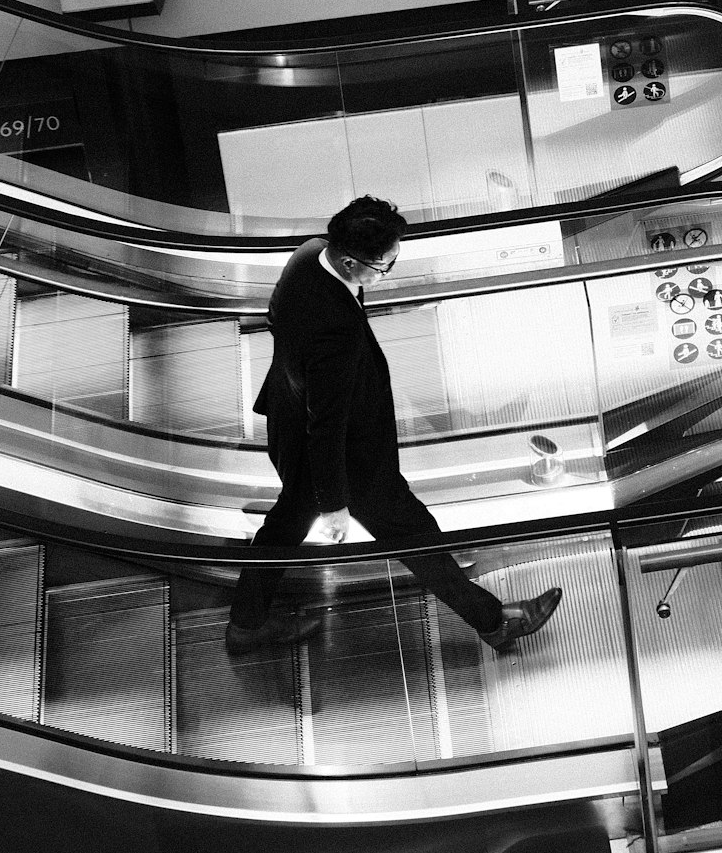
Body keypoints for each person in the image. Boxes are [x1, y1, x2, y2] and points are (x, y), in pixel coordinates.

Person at [226, 195, 562, 655]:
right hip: (346, 456)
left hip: (289, 424)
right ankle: (494, 623)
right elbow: (326, 425)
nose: (386, 273)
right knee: (415, 535)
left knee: (283, 527)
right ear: (348, 260)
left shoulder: (308, 254)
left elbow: (275, 318)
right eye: (383, 266)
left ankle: (246, 624)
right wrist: (336, 503)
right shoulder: (334, 328)